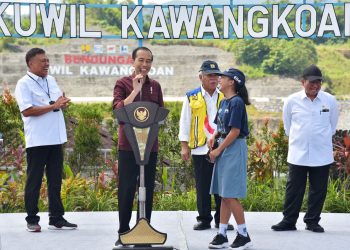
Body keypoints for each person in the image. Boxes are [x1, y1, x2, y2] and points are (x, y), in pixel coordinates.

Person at [15, 48, 77, 232]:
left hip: (56, 137)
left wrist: (62, 103)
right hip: (38, 140)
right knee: (34, 181)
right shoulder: (23, 84)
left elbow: (56, 102)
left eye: (48, 60)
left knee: (55, 180)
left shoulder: (50, 80)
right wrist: (54, 106)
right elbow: (27, 110)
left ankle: (56, 218)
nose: (46, 64)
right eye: (42, 61)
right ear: (31, 64)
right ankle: (32, 219)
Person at [271, 65, 339, 233]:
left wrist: (317, 139)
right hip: (298, 153)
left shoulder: (329, 100)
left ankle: (312, 221)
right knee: (294, 189)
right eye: (311, 82)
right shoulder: (291, 101)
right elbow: (288, 127)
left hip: (321, 153)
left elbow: (332, 126)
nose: (315, 86)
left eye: (318, 82)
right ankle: (288, 221)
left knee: (318, 190)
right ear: (302, 82)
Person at [112, 47, 164, 247]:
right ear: (132, 61)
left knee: (147, 188)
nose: (145, 64)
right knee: (126, 189)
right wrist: (135, 89)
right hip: (128, 146)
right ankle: (123, 232)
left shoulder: (156, 86)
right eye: (141, 60)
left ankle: (144, 230)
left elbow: (159, 112)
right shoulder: (122, 83)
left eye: (149, 61)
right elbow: (118, 110)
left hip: (149, 146)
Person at [179, 60, 233, 231]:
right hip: (200, 148)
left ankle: (221, 220)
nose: (214, 78)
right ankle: (204, 219)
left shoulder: (225, 96)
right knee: (203, 186)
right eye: (210, 75)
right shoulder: (191, 96)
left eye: (216, 75)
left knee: (221, 186)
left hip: (221, 147)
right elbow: (184, 122)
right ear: (200, 76)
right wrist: (184, 146)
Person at [208, 68, 252, 249]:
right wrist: (213, 136)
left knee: (230, 194)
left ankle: (243, 234)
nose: (219, 79)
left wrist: (218, 151)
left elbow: (235, 131)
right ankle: (222, 234)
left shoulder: (237, 102)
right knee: (223, 194)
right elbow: (221, 126)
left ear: (232, 81)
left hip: (233, 148)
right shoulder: (224, 102)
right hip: (224, 146)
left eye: (223, 77)